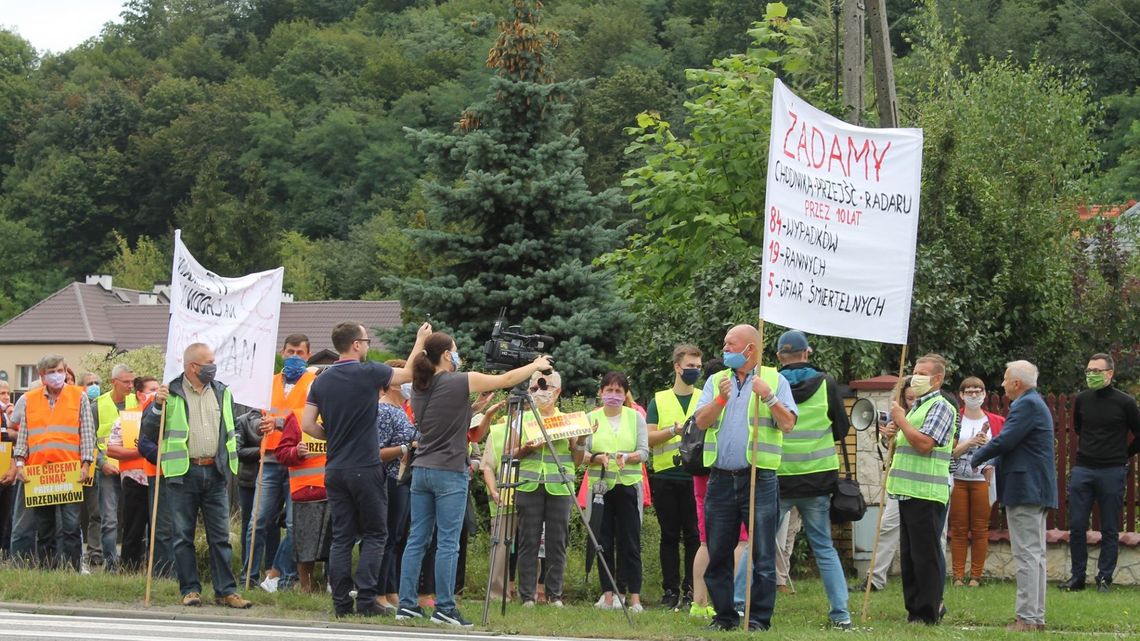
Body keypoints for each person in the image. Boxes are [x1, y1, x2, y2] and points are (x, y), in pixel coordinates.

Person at [395, 330, 551, 628]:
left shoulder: (419, 384)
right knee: (448, 542)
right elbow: (506, 380)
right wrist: (536, 364)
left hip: (422, 470)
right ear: (445, 355)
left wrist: (476, 408)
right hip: (449, 471)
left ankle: (406, 604)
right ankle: (444, 607)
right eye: (454, 350)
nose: (458, 355)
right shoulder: (460, 379)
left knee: (417, 539)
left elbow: (440, 420)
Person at [302, 321, 429, 618]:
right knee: (375, 533)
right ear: (356, 344)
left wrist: (333, 436)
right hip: (365, 465)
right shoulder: (369, 372)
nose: (369, 345)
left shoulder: (321, 379)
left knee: (343, 537)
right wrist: (420, 340)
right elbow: (408, 374)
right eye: (367, 340)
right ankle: (368, 599)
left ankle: (341, 603)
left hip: (335, 468)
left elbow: (308, 424)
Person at [693, 324, 797, 632]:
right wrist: (720, 401)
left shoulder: (774, 380)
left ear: (749, 349)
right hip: (721, 479)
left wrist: (769, 398)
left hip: (759, 478)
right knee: (719, 551)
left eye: (729, 344)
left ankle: (759, 620)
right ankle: (724, 616)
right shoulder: (716, 380)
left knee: (763, 554)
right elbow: (700, 422)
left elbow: (788, 424)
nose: (724, 349)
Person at [141, 343, 251, 608]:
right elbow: (147, 430)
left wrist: (233, 443)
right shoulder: (171, 393)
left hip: (215, 472)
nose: (214, 367)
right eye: (209, 362)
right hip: (183, 472)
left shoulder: (222, 391)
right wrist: (156, 406)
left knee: (220, 537)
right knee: (182, 536)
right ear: (192, 367)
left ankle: (226, 590)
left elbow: (232, 426)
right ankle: (190, 589)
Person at [772, 330, 851, 629]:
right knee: (825, 548)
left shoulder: (771, 384)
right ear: (807, 353)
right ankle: (841, 615)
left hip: (779, 478)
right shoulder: (826, 383)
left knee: (760, 545)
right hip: (817, 479)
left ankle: (741, 606)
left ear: (779, 356)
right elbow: (841, 429)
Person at [971, 360, 1056, 632]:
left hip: (1025, 489)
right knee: (1035, 555)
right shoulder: (1033, 403)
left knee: (1027, 555)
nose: (1003, 384)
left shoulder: (1026, 404)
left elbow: (1005, 440)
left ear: (1017, 383)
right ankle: (1035, 617)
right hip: (1034, 488)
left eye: (1006, 379)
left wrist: (975, 457)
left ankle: (1028, 619)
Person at [881, 353, 955, 625]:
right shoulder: (916, 408)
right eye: (914, 370)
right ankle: (914, 610)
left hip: (927, 491)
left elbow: (925, 444)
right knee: (910, 557)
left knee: (926, 556)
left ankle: (929, 611)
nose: (915, 376)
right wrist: (890, 433)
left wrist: (901, 421)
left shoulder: (941, 406)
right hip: (906, 490)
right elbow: (907, 442)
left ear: (937, 379)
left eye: (922, 372)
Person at [5, 354, 96, 570]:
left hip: (69, 472)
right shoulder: (30, 399)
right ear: (42, 375)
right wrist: (19, 465)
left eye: (60, 370)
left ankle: (73, 569)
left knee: (72, 526)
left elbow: (86, 433)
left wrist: (86, 464)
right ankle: (48, 570)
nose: (58, 375)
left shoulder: (78, 396)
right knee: (44, 527)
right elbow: (24, 435)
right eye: (52, 371)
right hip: (39, 474)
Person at [1060, 352, 1140, 592]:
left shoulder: (1125, 402)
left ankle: (1104, 578)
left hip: (1112, 471)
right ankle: (1077, 578)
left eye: (1096, 371)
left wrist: (1123, 454)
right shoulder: (1083, 400)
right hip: (1084, 468)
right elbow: (1079, 428)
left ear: (1109, 373)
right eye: (1089, 371)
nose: (1091, 375)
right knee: (1076, 525)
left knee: (1109, 528)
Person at [246, 334, 314, 592]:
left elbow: (313, 417)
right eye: (290, 352)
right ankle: (248, 578)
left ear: (308, 355)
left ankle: (283, 578)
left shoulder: (314, 383)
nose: (294, 357)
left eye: (300, 353)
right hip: (270, 456)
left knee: (295, 524)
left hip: (300, 460)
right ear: (282, 352)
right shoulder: (268, 383)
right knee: (257, 521)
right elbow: (252, 416)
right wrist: (258, 424)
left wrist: (280, 422)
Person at [508, 370, 582, 609]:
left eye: (546, 386)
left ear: (558, 391)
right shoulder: (522, 419)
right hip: (529, 485)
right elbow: (509, 454)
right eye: (536, 387)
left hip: (559, 486)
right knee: (528, 540)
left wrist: (580, 440)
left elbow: (578, 459)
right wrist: (527, 448)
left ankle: (554, 596)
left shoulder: (568, 419)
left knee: (557, 541)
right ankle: (527, 596)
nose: (541, 391)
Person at [581, 371, 649, 612]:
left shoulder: (635, 418)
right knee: (603, 541)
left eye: (618, 391)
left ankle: (634, 598)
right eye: (608, 390)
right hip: (601, 488)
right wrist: (598, 458)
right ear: (600, 393)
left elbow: (644, 452)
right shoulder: (590, 418)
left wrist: (628, 457)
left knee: (630, 542)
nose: (613, 395)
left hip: (628, 487)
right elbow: (581, 454)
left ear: (625, 394)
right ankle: (608, 595)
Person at [645, 345, 703, 610]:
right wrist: (672, 431)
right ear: (677, 367)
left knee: (694, 535)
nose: (694, 371)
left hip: (696, 476)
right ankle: (670, 591)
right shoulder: (659, 400)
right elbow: (648, 437)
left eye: (698, 367)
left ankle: (692, 588)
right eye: (690, 366)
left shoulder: (704, 397)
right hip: (667, 475)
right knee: (669, 535)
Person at [949, 376, 1005, 587]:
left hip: (984, 480)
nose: (974, 395)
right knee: (959, 528)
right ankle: (957, 576)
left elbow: (1003, 450)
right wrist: (970, 443)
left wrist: (989, 451)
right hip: (958, 480)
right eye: (969, 391)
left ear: (984, 394)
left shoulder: (996, 421)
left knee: (981, 528)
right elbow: (949, 452)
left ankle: (975, 577)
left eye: (978, 391)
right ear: (961, 395)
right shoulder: (955, 419)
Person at [376, 370, 420, 607]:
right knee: (386, 536)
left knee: (396, 537)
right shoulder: (383, 410)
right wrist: (406, 447)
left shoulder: (400, 410)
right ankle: (378, 592)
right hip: (388, 479)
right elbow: (378, 451)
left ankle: (391, 588)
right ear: (392, 384)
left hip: (402, 479)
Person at [106, 376, 159, 572]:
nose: (156, 392)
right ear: (139, 394)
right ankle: (129, 569)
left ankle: (158, 571)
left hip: (159, 479)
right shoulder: (128, 418)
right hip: (135, 480)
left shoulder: (164, 417)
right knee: (133, 530)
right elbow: (111, 449)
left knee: (159, 530)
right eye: (152, 389)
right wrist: (141, 450)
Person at [274, 411, 329, 593]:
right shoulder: (296, 417)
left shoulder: (340, 413)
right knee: (306, 544)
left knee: (336, 541)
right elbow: (281, 453)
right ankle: (306, 587)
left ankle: (332, 585)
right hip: (307, 491)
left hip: (336, 489)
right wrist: (295, 451)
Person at [91, 364, 139, 572]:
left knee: (134, 519)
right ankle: (111, 565)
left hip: (133, 470)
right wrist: (102, 463)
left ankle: (133, 563)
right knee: (109, 520)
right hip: (108, 470)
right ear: (113, 382)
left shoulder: (136, 402)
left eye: (132, 382)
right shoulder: (97, 406)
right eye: (126, 382)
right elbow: (88, 440)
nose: (130, 386)